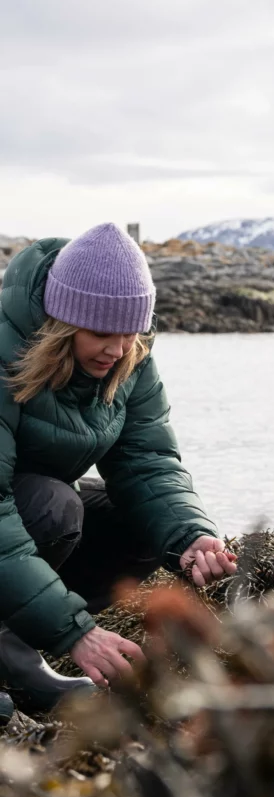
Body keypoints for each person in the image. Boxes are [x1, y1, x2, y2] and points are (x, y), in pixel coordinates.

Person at [0, 222, 236, 711]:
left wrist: (190, 535)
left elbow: (146, 462)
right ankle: (16, 655)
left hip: (21, 525)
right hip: (17, 514)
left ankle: (18, 638)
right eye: (103, 332)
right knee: (54, 506)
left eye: (131, 330)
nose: (119, 348)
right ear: (59, 325)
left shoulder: (128, 358)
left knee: (135, 523)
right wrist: (75, 633)